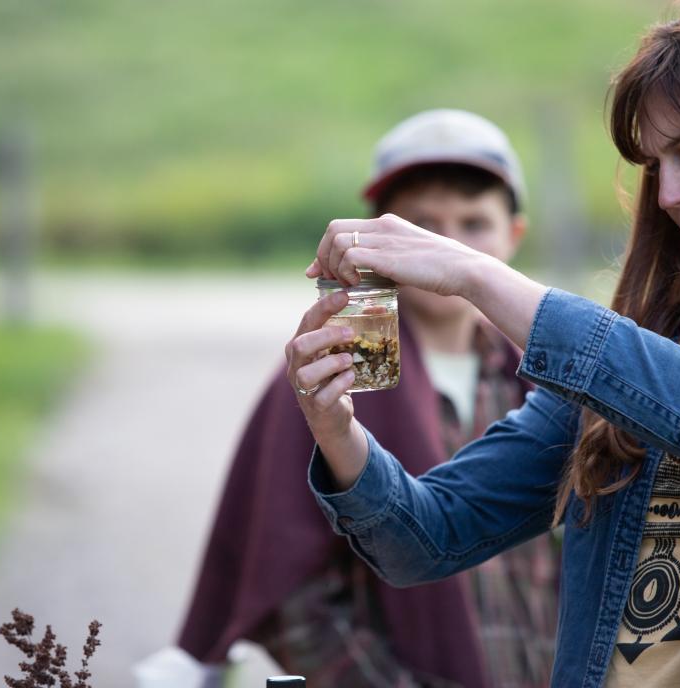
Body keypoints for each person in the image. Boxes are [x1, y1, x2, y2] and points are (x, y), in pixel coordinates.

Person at [287, 1, 680, 686]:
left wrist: (476, 276)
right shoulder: (642, 354)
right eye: (656, 165)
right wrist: (337, 430)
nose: (668, 195)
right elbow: (427, 536)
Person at [179, 109, 560, 687]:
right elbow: (289, 597)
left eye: (473, 223)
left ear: (514, 235)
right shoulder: (327, 379)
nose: (447, 245)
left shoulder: (547, 381)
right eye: (422, 224)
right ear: (377, 236)